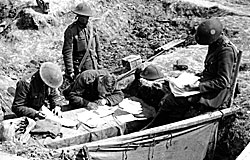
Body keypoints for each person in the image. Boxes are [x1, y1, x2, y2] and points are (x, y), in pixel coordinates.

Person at [149, 18, 238, 127]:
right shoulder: (215, 44)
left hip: (216, 94)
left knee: (173, 100)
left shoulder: (225, 51)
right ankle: (161, 122)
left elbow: (223, 81)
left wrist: (199, 86)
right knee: (169, 89)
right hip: (208, 83)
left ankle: (162, 126)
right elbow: (211, 70)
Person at [62, 2, 103, 81]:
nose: (86, 19)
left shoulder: (92, 28)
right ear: (78, 16)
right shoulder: (71, 31)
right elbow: (67, 52)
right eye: (83, 16)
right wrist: (70, 71)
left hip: (93, 65)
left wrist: (100, 63)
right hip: (80, 67)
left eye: (87, 16)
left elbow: (98, 47)